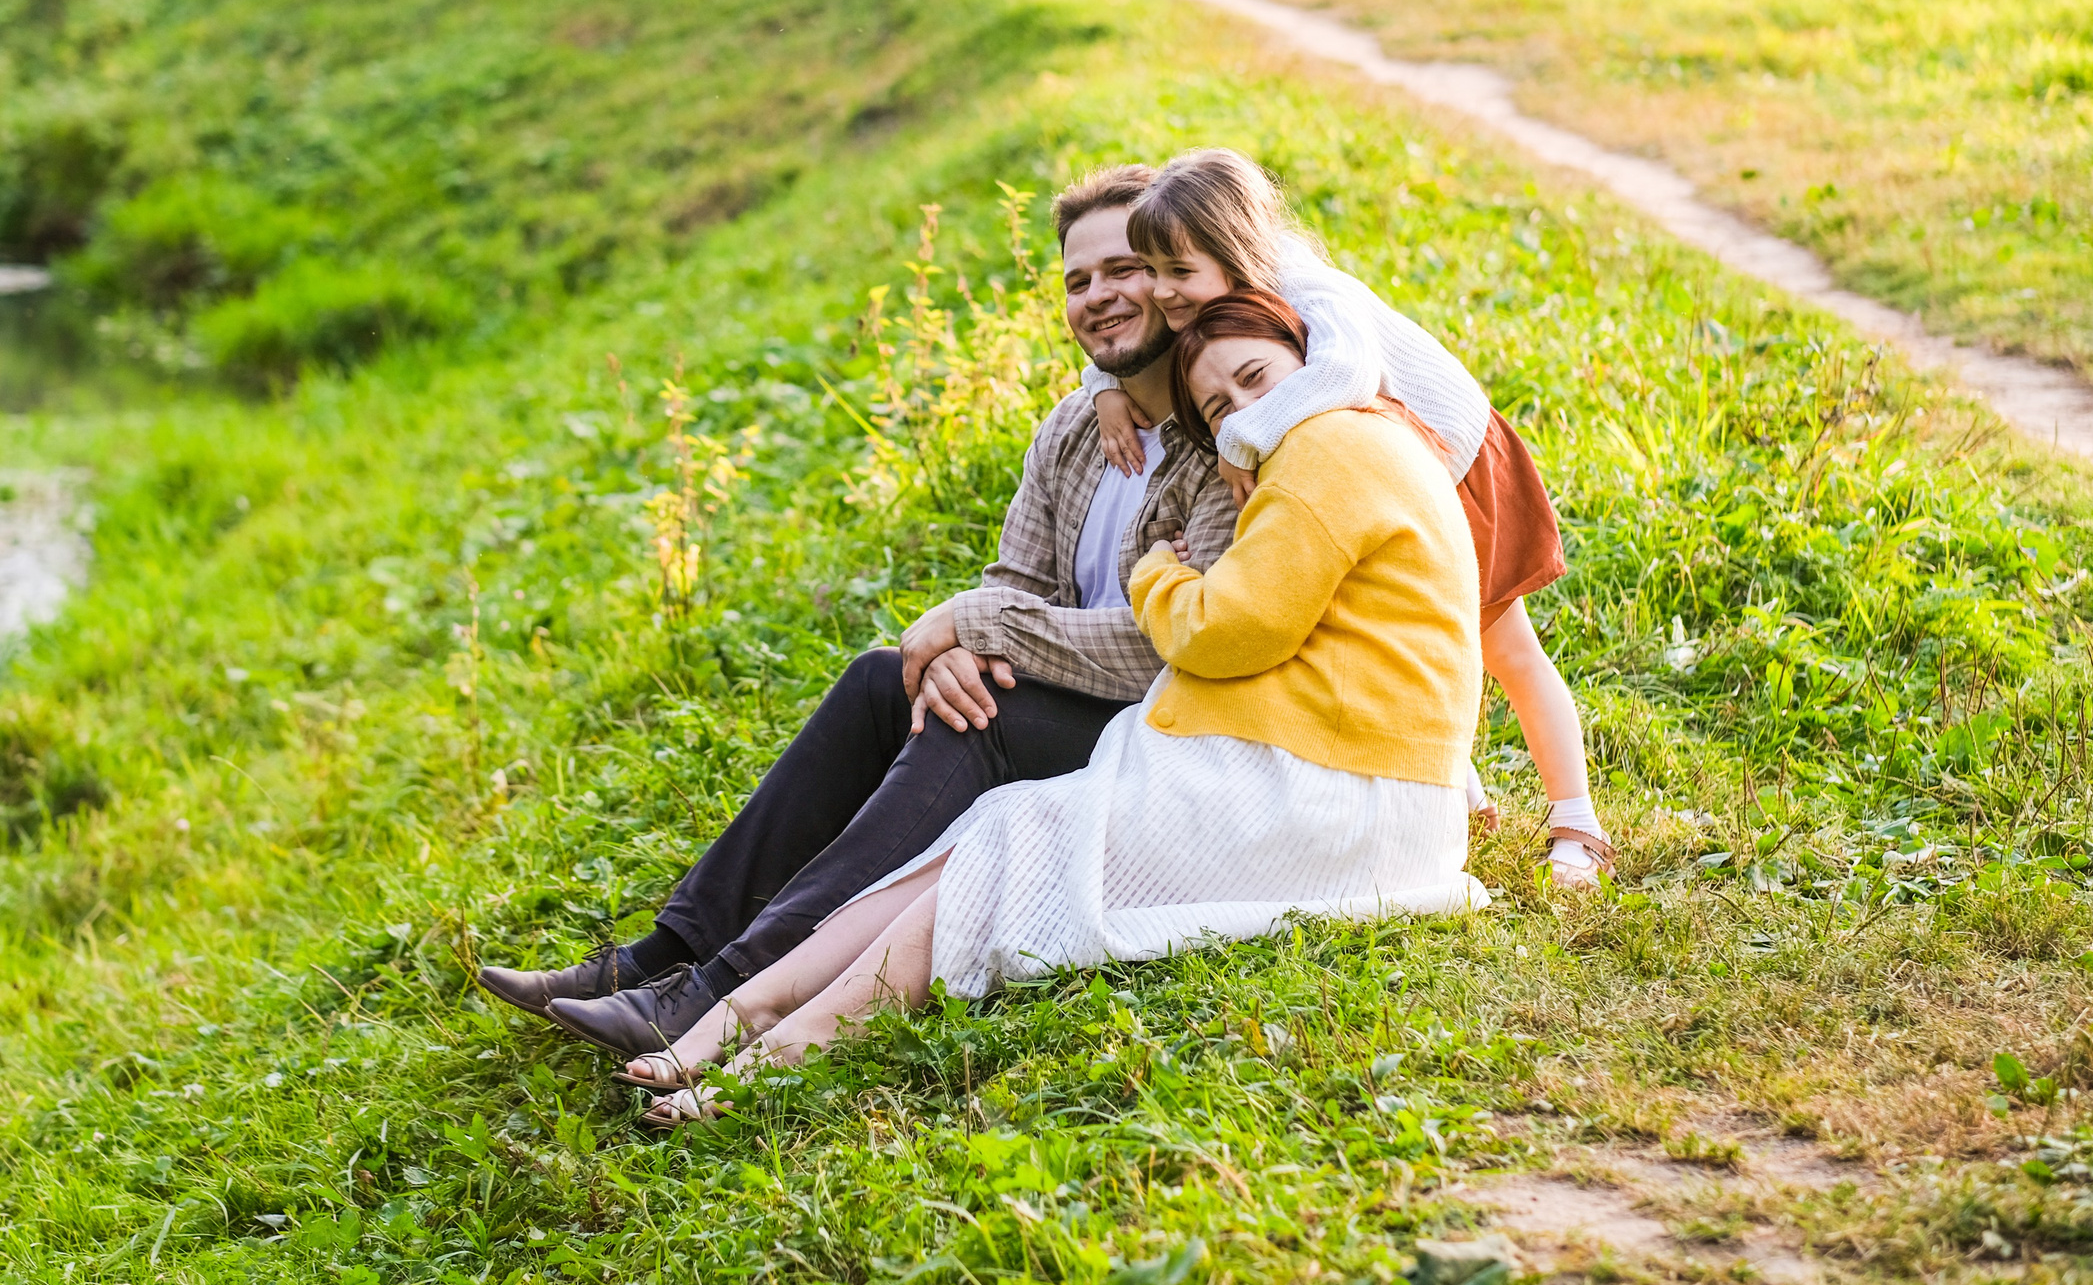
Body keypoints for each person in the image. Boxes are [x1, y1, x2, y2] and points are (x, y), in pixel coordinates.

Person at [630, 292, 1490, 1127]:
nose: (1241, 417)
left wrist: (1159, 571)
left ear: (1311, 356)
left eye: (1257, 378)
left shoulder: (1325, 450)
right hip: (1322, 769)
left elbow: (1230, 630)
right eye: (1219, 405)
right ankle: (730, 1018)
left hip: (1338, 796)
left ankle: (778, 1050)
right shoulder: (1342, 439)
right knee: (982, 832)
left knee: (1010, 848)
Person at [471, 165, 1242, 1057]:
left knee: (977, 722)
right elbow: (1010, 582)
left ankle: (715, 991)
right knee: (887, 678)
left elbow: (1170, 649)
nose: (1100, 296)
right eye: (1078, 280)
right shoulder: (1074, 425)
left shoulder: (1220, 437)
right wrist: (959, 642)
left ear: (1173, 275)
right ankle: (659, 954)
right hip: (1054, 692)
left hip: (1151, 731)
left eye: (1124, 270)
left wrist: (978, 629)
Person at [1079, 151, 1612, 885]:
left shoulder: (1309, 289)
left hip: (1448, 465)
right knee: (1390, 635)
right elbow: (1147, 349)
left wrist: (1241, 432)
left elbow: (1346, 375)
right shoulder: (1214, 303)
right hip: (1364, 482)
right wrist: (1104, 386)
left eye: (1176, 270)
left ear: (1232, 250)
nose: (1159, 290)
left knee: (1502, 649)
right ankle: (1455, 792)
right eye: (1151, 269)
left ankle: (1576, 821)